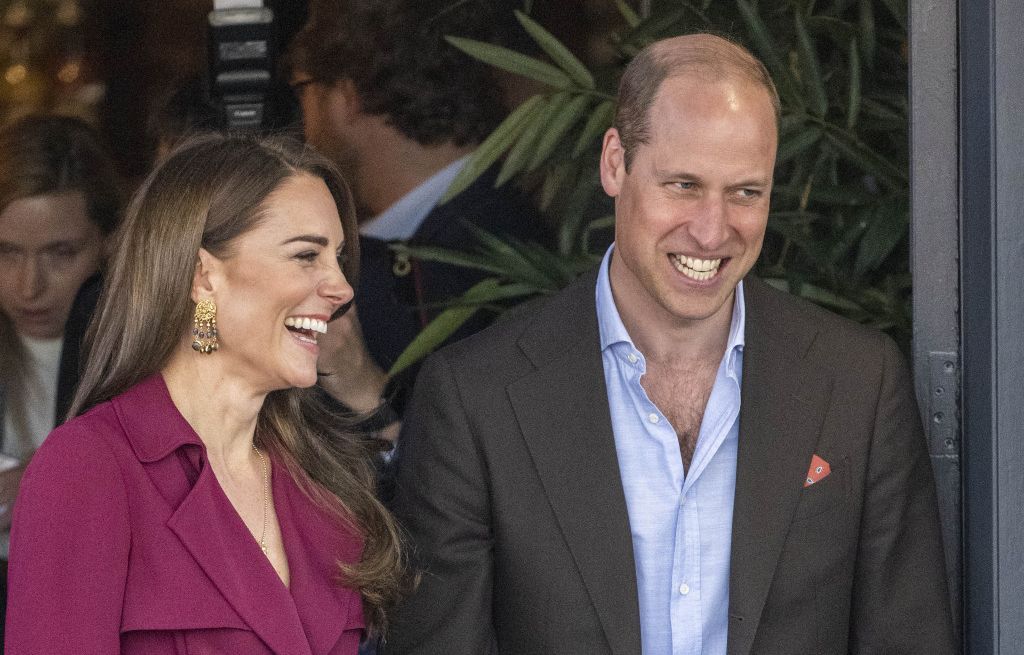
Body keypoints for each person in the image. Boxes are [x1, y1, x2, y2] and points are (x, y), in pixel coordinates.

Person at [384, 34, 956, 654]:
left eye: (745, 192)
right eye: (683, 184)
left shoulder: (857, 384)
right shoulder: (474, 398)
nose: (712, 231)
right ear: (614, 163)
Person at [6, 134, 406, 653]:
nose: (341, 287)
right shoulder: (89, 468)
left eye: (339, 257)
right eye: (307, 255)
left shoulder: (321, 477)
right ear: (202, 277)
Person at [287, 0, 546, 429]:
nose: (301, 123)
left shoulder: (487, 258)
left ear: (347, 97)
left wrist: (364, 390)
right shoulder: (524, 224)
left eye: (302, 90)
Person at [0, 114, 124, 639]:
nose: (30, 287)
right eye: (6, 253)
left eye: (60, 254)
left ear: (108, 243)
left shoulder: (143, 341)